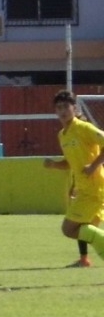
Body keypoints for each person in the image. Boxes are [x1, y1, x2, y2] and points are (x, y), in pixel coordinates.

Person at [43, 90, 104, 268]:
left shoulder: (83, 128)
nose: (62, 111)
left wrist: (93, 166)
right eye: (59, 107)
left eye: (66, 107)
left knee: (69, 229)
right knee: (83, 228)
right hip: (83, 187)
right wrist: (55, 165)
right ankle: (84, 259)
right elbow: (71, 162)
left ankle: (86, 258)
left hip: (95, 188)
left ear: (74, 109)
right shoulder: (63, 135)